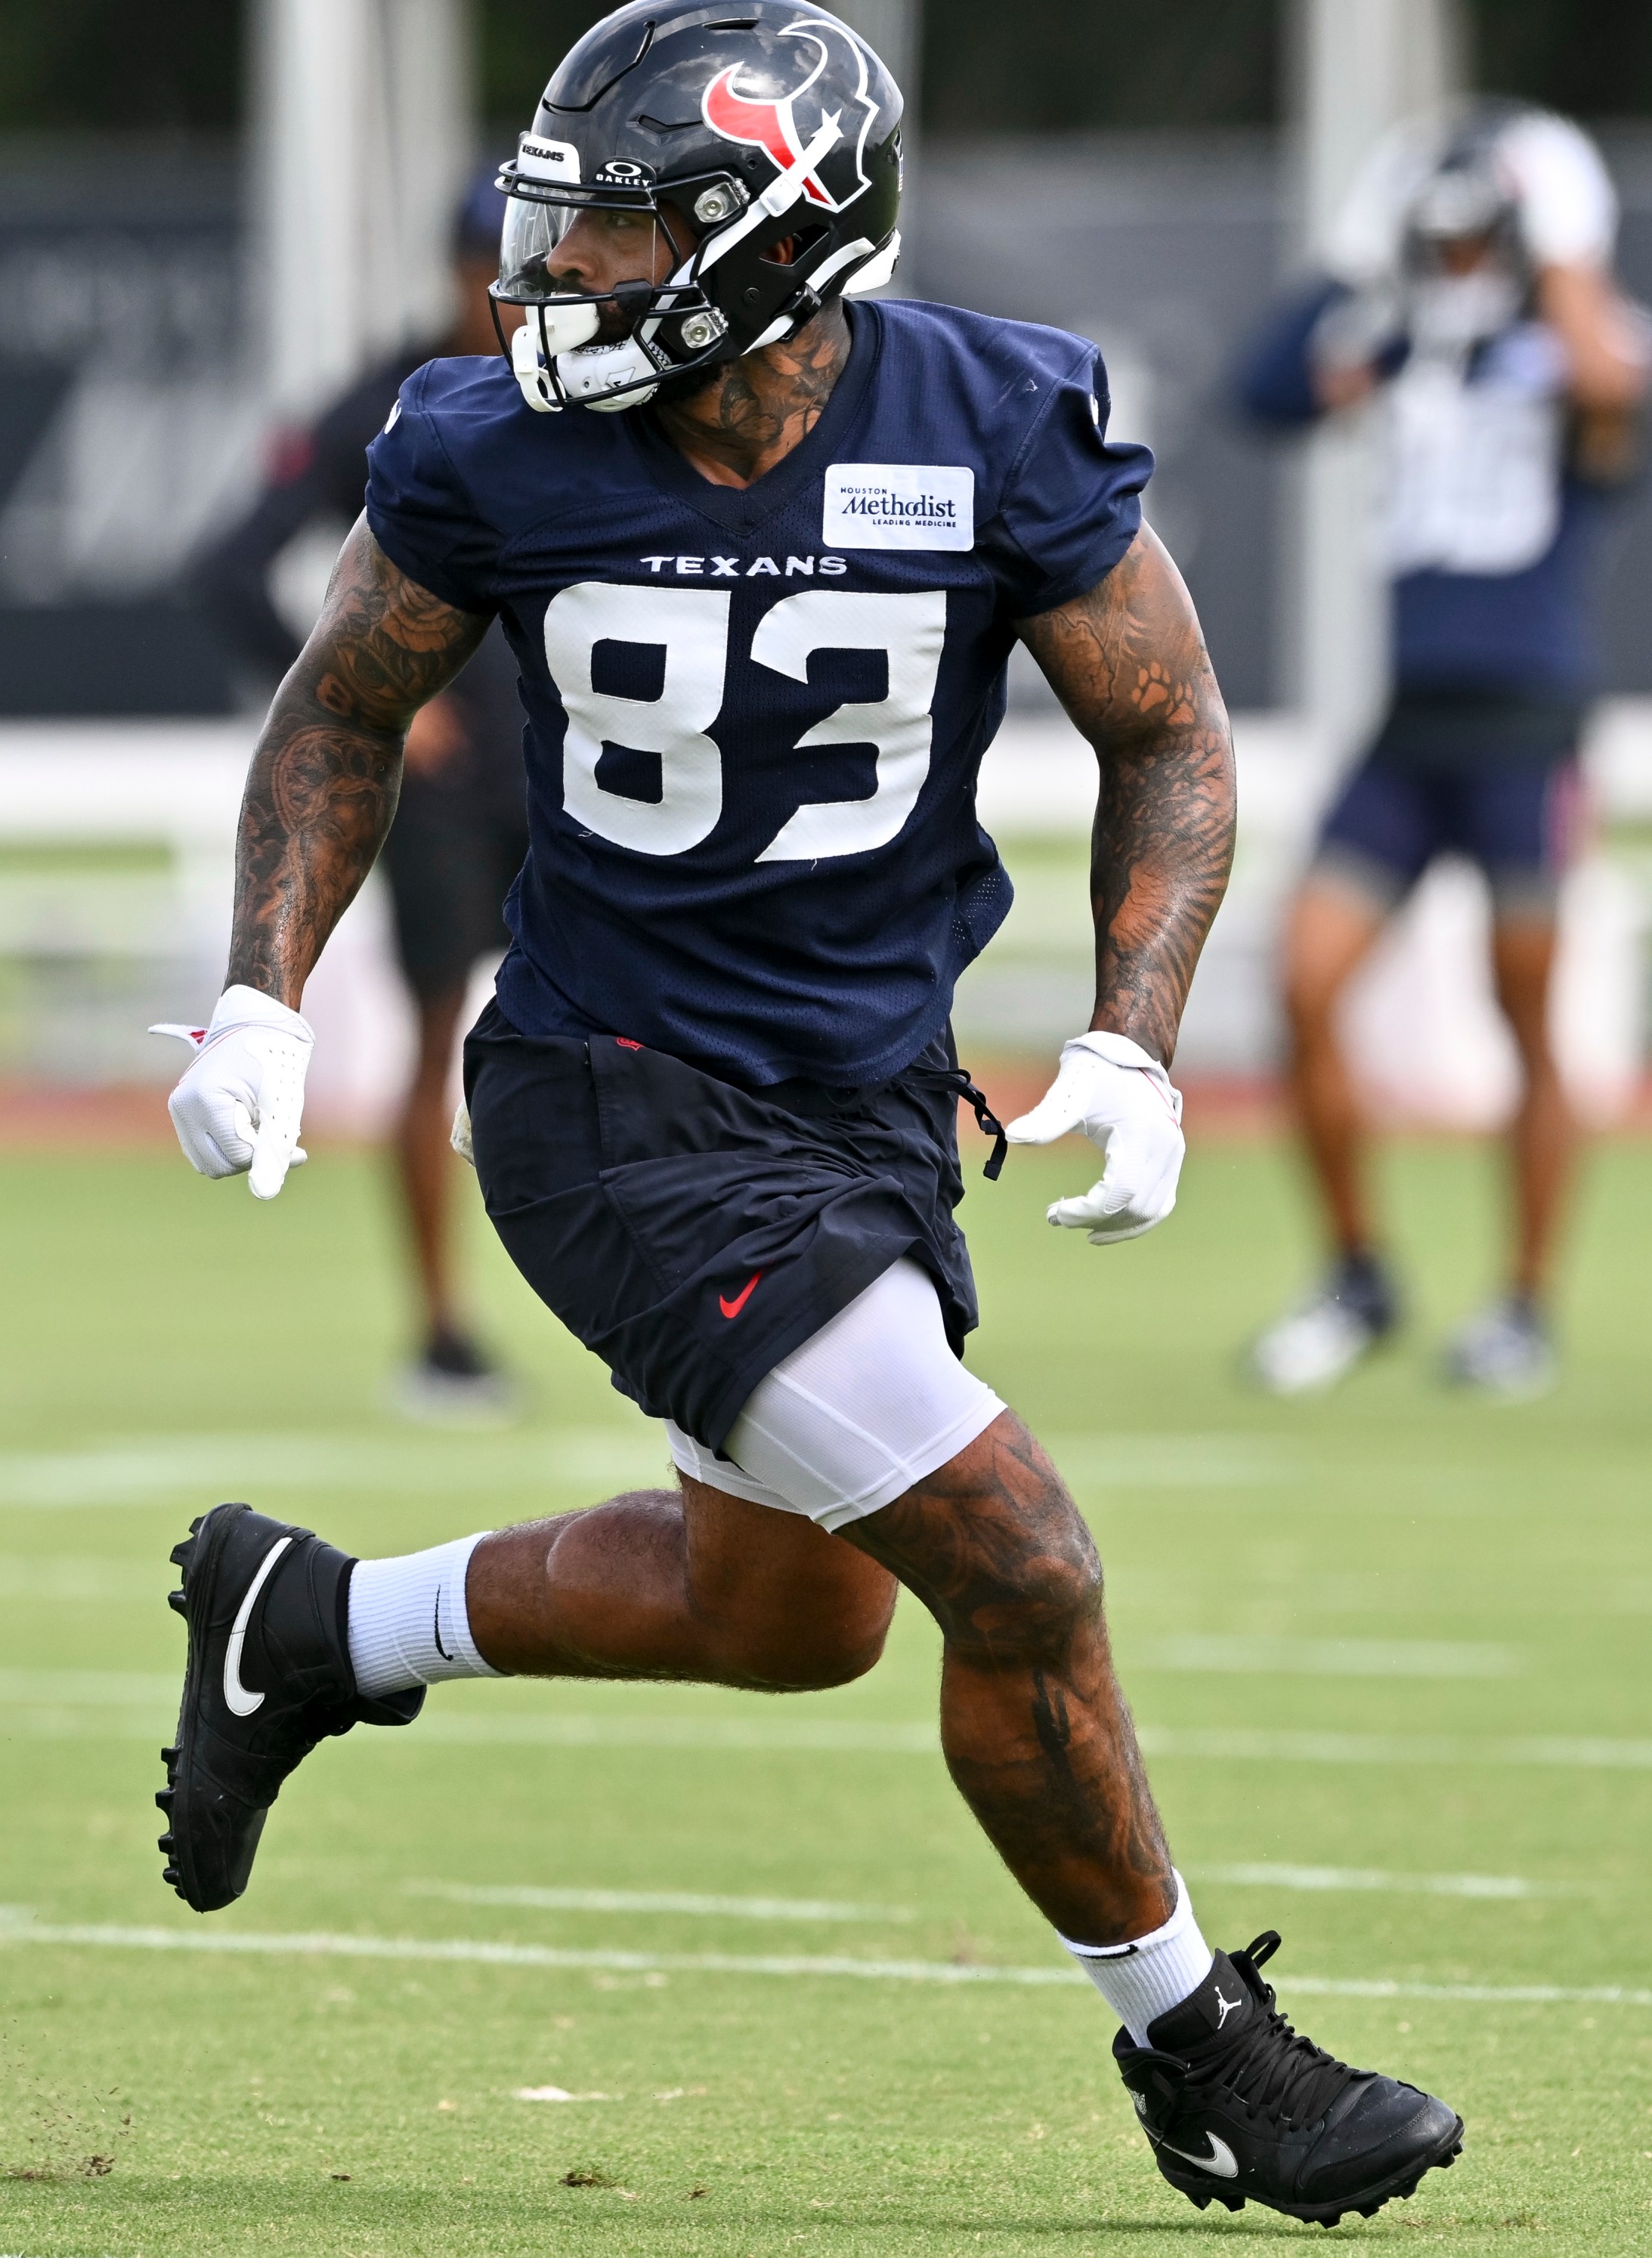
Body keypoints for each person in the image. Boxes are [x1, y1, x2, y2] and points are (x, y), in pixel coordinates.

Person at [152, 2, 1462, 2227]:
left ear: (775, 234)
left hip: (864, 1107)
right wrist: (262, 994)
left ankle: (316, 1627)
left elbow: (1173, 734)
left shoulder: (988, 414)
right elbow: (341, 709)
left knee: (791, 1616)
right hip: (612, 1098)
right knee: (1015, 1553)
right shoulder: (485, 448)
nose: (553, 272)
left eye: (619, 230)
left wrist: (1136, 1031)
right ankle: (1202, 2051)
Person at [1236, 104, 1648, 1398]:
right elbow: (1262, 391)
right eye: (1443, 243)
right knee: (1302, 983)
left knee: (1525, 1015)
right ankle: (1359, 1273)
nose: (1459, 266)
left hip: (1528, 725)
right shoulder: (1399, 338)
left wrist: (1568, 249)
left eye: (1484, 243)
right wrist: (1361, 257)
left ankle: (1523, 1303)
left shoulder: (1582, 342)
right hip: (1407, 726)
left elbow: (1606, 394)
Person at [190, 178, 527, 1414]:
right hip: (439, 780)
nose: (508, 289)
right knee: (437, 1036)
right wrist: (379, 699)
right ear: (450, 269)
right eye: (487, 262)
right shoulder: (396, 404)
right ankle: (442, 1331)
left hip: (579, 761)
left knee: (635, 1021)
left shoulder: (597, 395)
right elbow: (228, 568)